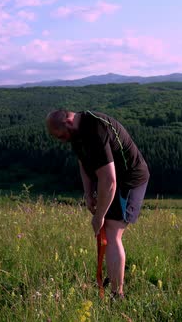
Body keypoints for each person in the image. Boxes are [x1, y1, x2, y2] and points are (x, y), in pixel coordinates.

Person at [46, 109, 149, 299]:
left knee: (111, 230)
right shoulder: (76, 133)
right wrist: (88, 193)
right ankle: (113, 275)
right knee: (108, 231)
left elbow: (110, 180)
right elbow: (83, 162)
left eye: (61, 136)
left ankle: (117, 295)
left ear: (68, 122)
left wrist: (99, 216)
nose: (62, 141)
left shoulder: (95, 130)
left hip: (130, 178)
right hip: (111, 178)